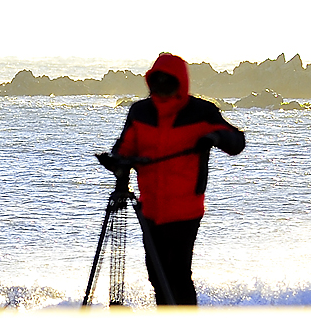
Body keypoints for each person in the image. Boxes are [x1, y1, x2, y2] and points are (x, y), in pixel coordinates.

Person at [98, 53, 245, 306]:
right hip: (150, 208)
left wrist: (214, 138)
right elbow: (124, 148)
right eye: (157, 81)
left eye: (168, 81)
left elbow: (236, 142)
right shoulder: (140, 112)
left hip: (185, 210)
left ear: (180, 83)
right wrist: (117, 162)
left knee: (177, 274)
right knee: (157, 275)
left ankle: (184, 326)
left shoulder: (201, 112)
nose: (162, 87)